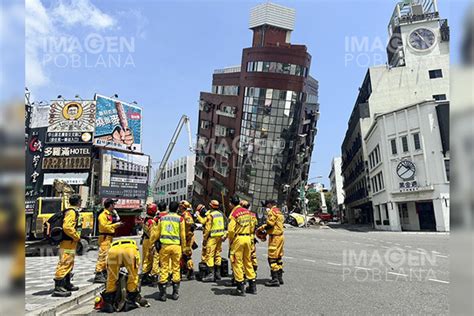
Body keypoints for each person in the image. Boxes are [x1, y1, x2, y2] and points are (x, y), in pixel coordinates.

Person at [150, 201, 186, 301]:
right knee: (176, 268)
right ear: (177, 209)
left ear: (169, 208)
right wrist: (184, 248)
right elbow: (182, 235)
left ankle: (163, 294)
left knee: (164, 268)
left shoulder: (162, 218)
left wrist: (152, 243)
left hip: (164, 247)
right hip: (176, 247)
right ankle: (175, 293)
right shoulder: (180, 219)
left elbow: (157, 233)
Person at [100, 238, 148, 312]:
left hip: (113, 250)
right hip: (130, 250)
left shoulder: (113, 246)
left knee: (112, 277)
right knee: (132, 275)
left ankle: (109, 304)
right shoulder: (133, 245)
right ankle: (129, 302)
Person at [52, 194, 82, 297]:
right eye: (80, 200)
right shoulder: (71, 212)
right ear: (78, 202)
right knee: (65, 262)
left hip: (70, 242)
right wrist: (77, 237)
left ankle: (66, 283)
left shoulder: (71, 211)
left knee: (69, 262)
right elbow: (67, 227)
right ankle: (59, 287)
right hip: (68, 242)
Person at [227, 195, 257, 296]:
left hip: (238, 239)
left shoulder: (234, 213)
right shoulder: (248, 212)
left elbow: (231, 230)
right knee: (248, 261)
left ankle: (240, 288)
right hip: (248, 238)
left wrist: (231, 241)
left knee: (236, 262)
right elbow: (252, 226)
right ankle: (252, 286)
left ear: (231, 203)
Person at [94, 199, 122, 283]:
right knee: (103, 255)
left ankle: (104, 272)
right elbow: (104, 227)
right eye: (113, 204)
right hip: (104, 237)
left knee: (107, 256)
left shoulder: (110, 214)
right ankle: (98, 274)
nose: (114, 206)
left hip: (109, 238)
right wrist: (115, 225)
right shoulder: (103, 215)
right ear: (110, 205)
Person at [257, 199, 285, 287]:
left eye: (266, 205)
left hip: (274, 237)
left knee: (272, 258)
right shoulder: (279, 211)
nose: (266, 207)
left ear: (269, 204)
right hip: (280, 236)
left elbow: (270, 224)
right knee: (278, 257)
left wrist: (262, 229)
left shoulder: (272, 212)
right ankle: (280, 278)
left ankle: (275, 279)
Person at [202, 200, 226, 282]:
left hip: (212, 237)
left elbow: (208, 228)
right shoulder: (220, 214)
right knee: (218, 254)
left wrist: (205, 239)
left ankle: (210, 275)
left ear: (211, 206)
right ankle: (218, 274)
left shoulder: (210, 215)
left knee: (210, 255)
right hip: (220, 236)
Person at [141, 203, 159, 286]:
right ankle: (151, 277)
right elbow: (153, 235)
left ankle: (144, 276)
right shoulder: (151, 222)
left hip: (145, 240)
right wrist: (153, 245)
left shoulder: (146, 220)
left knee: (146, 259)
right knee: (153, 259)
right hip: (150, 241)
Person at [179, 200, 196, 280]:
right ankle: (185, 270)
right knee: (183, 255)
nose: (179, 207)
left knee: (187, 255)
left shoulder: (186, 215)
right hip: (184, 238)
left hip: (187, 238)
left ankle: (191, 271)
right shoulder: (183, 214)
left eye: (180, 206)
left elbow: (192, 225)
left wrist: (189, 235)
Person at [240, 200, 258, 274]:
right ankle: (253, 270)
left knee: (243, 256)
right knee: (252, 255)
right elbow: (256, 226)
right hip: (251, 237)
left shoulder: (242, 214)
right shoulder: (253, 215)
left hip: (244, 235)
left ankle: (243, 272)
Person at [195, 203, 211, 278]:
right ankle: (215, 273)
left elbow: (203, 222)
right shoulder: (211, 214)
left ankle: (208, 272)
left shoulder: (208, 215)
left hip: (209, 237)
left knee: (206, 253)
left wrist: (205, 238)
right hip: (215, 237)